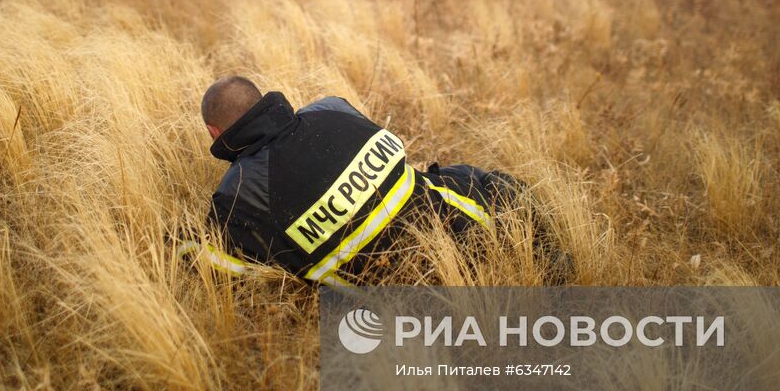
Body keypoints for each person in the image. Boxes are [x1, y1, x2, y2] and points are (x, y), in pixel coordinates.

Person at [181, 75, 529, 286]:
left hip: (392, 297)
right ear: (262, 101)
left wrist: (179, 242)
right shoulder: (331, 108)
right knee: (473, 179)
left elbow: (223, 264)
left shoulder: (238, 192)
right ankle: (547, 251)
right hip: (463, 233)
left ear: (214, 132)